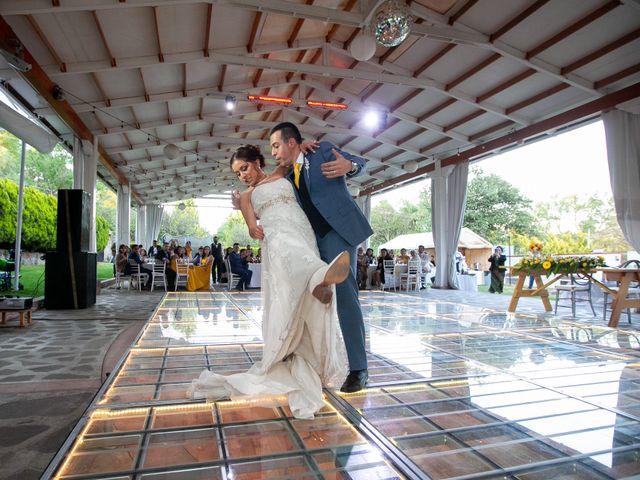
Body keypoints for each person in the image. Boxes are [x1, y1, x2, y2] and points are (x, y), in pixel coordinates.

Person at [191, 145, 351, 419]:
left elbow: (295, 158)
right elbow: (253, 228)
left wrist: (301, 144)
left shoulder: (280, 172)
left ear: (257, 162)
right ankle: (320, 277)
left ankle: (319, 282)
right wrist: (254, 228)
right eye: (237, 172)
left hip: (302, 232)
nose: (242, 175)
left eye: (244, 168)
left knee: (305, 277)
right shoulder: (245, 196)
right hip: (277, 241)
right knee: (296, 279)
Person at [268, 122, 372, 393]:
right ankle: (311, 359)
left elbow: (360, 162)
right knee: (306, 295)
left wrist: (349, 168)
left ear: (292, 143)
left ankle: (359, 369)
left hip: (338, 233)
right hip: (311, 244)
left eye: (276, 145)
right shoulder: (288, 176)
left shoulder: (322, 151)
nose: (273, 153)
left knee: (346, 298)